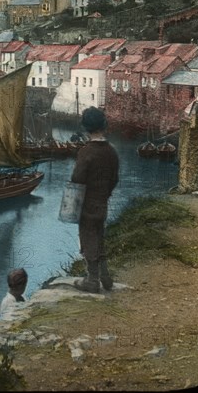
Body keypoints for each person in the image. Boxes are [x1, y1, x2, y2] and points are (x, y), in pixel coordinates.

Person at [71, 107, 119, 293]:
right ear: (104, 125)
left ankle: (92, 280)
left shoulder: (86, 152)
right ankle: (105, 277)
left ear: (85, 127)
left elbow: (77, 179)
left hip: (86, 203)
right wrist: (105, 194)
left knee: (88, 237)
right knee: (99, 236)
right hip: (102, 202)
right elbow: (115, 179)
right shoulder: (111, 152)